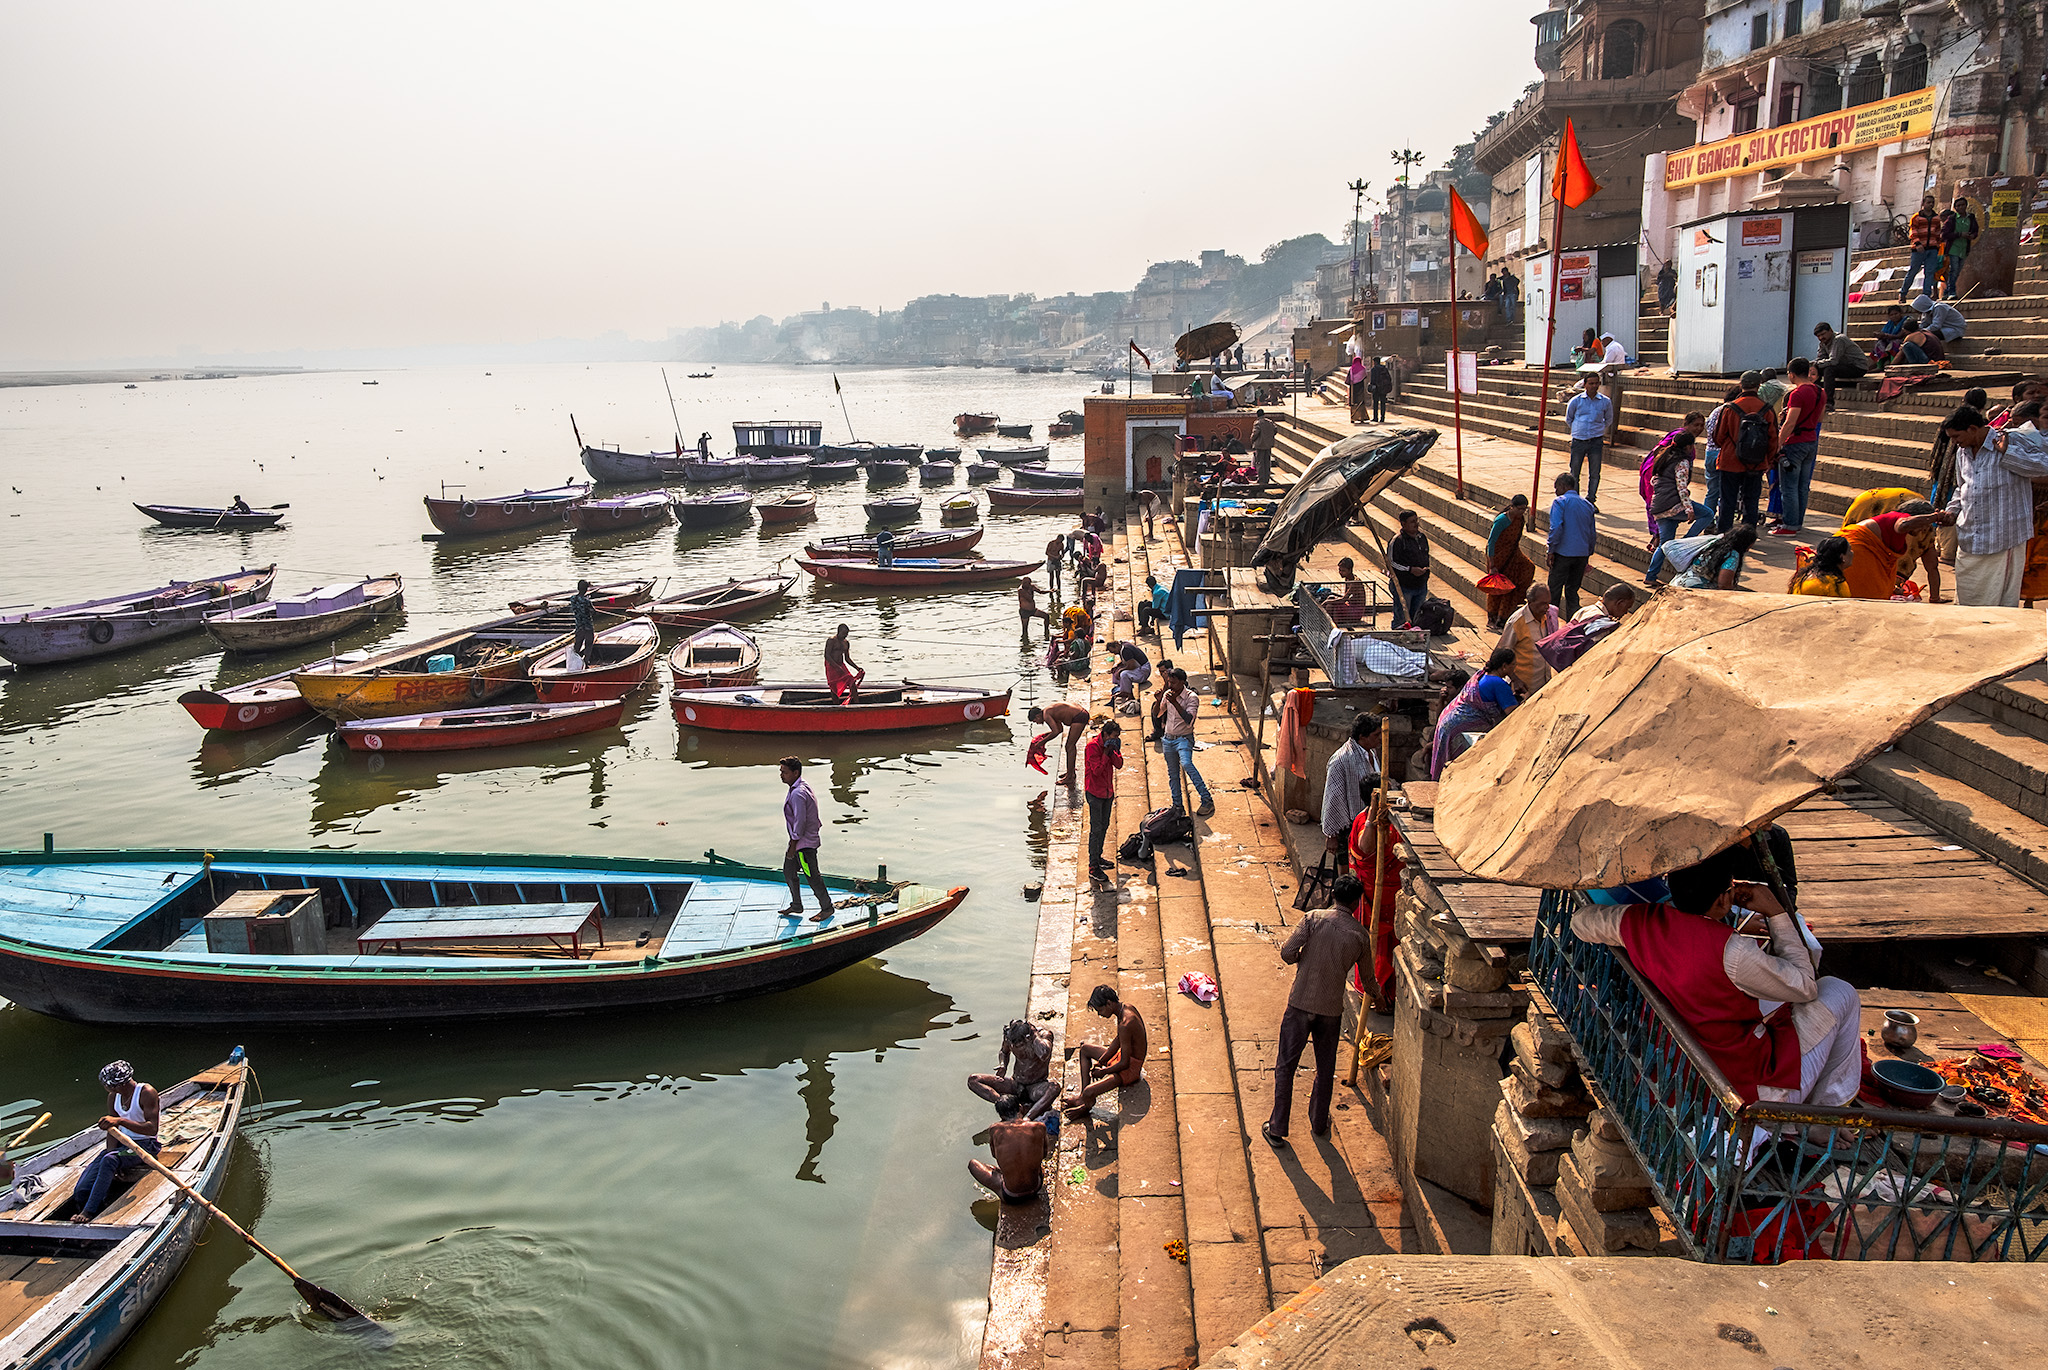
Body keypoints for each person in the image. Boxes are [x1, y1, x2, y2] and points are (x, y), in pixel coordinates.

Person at [1573, 855, 1863, 1110]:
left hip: (1683, 1070)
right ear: (1724, 899)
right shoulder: (1731, 951)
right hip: (1744, 1088)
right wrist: (1777, 913)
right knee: (1839, 991)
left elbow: (1581, 923)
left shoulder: (1639, 921)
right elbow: (1805, 985)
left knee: (1774, 997)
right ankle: (1825, 1113)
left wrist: (1636, 921)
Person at [1262, 872, 1370, 1147]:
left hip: (1300, 1002)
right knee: (1325, 1068)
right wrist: (1379, 999)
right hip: (1330, 1010)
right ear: (1357, 903)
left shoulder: (1312, 919)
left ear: (1333, 895)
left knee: (1286, 1065)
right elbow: (1368, 981)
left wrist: (1304, 960)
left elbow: (1287, 953)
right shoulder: (1360, 935)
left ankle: (1277, 1128)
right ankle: (1319, 1122)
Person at [1947, 404, 2048, 607]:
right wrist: (1952, 510)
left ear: (1973, 429)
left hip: (2003, 537)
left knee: (1997, 605)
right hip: (1970, 536)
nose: (1955, 443)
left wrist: (2007, 452)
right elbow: (1963, 487)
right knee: (1967, 599)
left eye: (1957, 437)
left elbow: (2043, 466)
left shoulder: (2013, 439)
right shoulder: (1962, 452)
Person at [73, 1061, 160, 1221]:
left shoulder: (146, 1092)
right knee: (82, 1191)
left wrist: (120, 1121)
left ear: (115, 1085)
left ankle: (88, 1212)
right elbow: (112, 1131)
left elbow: (152, 1129)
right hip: (122, 1145)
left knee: (109, 1160)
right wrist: (114, 1154)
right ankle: (91, 1211)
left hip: (145, 1146)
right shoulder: (114, 1097)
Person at [1430, 646, 1520, 778]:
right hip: (1457, 729)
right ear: (1504, 666)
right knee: (1455, 769)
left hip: (1448, 721)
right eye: (1513, 665)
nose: (1514, 669)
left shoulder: (1481, 674)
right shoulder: (1498, 684)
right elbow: (1513, 713)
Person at [1062, 984, 1147, 1117]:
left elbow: (1124, 1063)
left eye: (1100, 1010)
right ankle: (1083, 1097)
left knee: (1090, 1091)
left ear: (1108, 1004)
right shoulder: (1126, 1008)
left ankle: (1086, 1102)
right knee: (1084, 1050)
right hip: (1122, 1057)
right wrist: (1101, 1061)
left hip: (1130, 1069)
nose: (1099, 1014)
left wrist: (1103, 1071)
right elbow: (1118, 1041)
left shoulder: (1126, 1023)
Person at [1838, 500, 1950, 601]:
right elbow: (1903, 525)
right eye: (1922, 525)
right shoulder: (1901, 518)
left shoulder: (1910, 530)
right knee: (1867, 593)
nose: (1923, 530)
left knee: (1880, 590)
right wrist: (1935, 517)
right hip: (1856, 548)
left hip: (1858, 548)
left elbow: (1932, 566)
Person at [1710, 370, 1777, 531]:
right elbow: (1773, 439)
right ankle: (1747, 536)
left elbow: (1718, 437)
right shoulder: (1766, 409)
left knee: (1727, 501)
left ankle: (1724, 535)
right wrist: (1769, 460)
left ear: (1741, 385)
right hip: (1756, 463)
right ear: (1758, 386)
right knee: (1751, 501)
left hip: (1730, 461)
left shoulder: (1729, 408)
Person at [778, 757, 838, 921]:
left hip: (803, 845)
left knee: (812, 876)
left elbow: (800, 821)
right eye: (781, 771)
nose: (781, 775)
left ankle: (827, 908)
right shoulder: (798, 786)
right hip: (798, 841)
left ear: (795, 773)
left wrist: (793, 844)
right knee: (788, 871)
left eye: (785, 772)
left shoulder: (798, 793)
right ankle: (796, 904)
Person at [1771, 357, 1825, 536]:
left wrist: (1778, 443)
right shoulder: (1820, 392)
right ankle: (1798, 522)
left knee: (1789, 487)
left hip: (1795, 443)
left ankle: (1790, 524)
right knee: (1802, 486)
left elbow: (1790, 423)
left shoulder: (1797, 394)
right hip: (1811, 440)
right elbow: (1820, 418)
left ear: (1792, 374)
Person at [969, 1094, 1050, 1204]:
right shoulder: (1039, 1126)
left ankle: (1008, 1183)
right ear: (1020, 1108)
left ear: (1001, 1115)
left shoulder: (994, 1129)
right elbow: (1044, 1154)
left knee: (973, 1164)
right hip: (1037, 1187)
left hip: (1011, 1195)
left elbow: (994, 1155)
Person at [969, 1019, 1057, 1120]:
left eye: (1019, 1045)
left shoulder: (1043, 1035)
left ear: (1028, 1038)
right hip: (1016, 1084)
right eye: (1013, 1045)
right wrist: (1003, 1065)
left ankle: (1027, 1118)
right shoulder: (1010, 1036)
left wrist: (1034, 1034)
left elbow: (1044, 1054)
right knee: (974, 1080)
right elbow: (1004, 1051)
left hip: (1035, 1087)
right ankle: (1008, 1105)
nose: (1015, 1047)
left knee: (1054, 1088)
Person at [1320, 713, 1381, 856]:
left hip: (1372, 820)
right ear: (1362, 737)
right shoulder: (1341, 760)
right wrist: (1332, 835)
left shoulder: (1372, 752)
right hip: (1350, 826)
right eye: (1376, 735)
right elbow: (1333, 798)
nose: (1380, 739)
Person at [1159, 666, 1214, 818]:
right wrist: (1159, 700)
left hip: (1184, 738)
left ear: (1182, 682)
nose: (1171, 686)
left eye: (1174, 683)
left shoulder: (1192, 698)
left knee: (1187, 764)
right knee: (1173, 774)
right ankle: (1177, 805)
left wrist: (1175, 702)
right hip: (1168, 738)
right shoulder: (1168, 694)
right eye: (1169, 682)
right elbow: (1159, 714)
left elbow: (1189, 720)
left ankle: (1206, 799)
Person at [1644, 432, 1697, 586]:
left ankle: (1651, 576)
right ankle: (1686, 542)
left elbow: (1654, 480)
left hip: (1659, 506)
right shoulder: (1682, 462)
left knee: (1664, 544)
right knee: (1707, 514)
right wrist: (1689, 509)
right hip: (1672, 505)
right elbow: (1682, 488)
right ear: (1689, 447)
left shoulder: (1663, 456)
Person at [1545, 472, 1596, 618]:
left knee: (1554, 591)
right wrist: (1588, 553)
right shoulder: (1587, 505)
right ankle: (1572, 626)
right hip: (1581, 554)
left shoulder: (1560, 502)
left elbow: (1556, 528)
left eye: (1556, 487)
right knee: (1572, 592)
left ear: (1563, 486)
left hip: (1563, 553)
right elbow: (1592, 533)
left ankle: (1550, 625)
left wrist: (1551, 550)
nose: (1555, 491)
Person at [1495, 582, 1557, 698]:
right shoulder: (1517, 622)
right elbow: (1500, 655)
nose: (1546, 607)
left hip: (1544, 682)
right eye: (1542, 604)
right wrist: (1515, 679)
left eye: (1548, 603)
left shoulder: (1549, 617)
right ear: (1530, 602)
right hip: (1524, 688)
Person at [1483, 494, 1534, 631]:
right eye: (1519, 509)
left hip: (1513, 555)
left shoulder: (1520, 519)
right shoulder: (1502, 520)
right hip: (1498, 558)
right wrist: (1492, 564)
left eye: (1524, 509)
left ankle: (1505, 617)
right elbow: (1491, 542)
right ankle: (1494, 619)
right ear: (1512, 507)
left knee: (1528, 569)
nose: (1522, 512)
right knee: (1499, 589)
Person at [1083, 719, 1124, 886]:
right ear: (1105, 734)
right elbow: (1097, 771)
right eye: (1113, 736)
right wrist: (1105, 754)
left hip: (1107, 792)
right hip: (1095, 792)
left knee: (1105, 825)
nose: (1114, 739)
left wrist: (1113, 751)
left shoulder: (1111, 746)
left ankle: (1098, 856)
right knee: (1096, 829)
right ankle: (1093, 866)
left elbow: (1119, 765)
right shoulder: (1092, 747)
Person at [1564, 374, 1611, 508]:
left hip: (1596, 440)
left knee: (1595, 472)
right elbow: (1569, 418)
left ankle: (1591, 500)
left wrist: (1598, 430)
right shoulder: (1576, 401)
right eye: (1591, 383)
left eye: (1596, 383)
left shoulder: (1605, 401)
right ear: (1585, 385)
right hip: (1579, 440)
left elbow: (1609, 419)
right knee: (1575, 472)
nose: (1594, 386)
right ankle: (1576, 500)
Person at [1672, 524, 1757, 591]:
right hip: (1695, 592)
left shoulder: (1712, 544)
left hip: (1677, 584)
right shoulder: (1732, 555)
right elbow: (1724, 585)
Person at [1027, 700, 1090, 785]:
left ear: (1037, 716)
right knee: (1070, 746)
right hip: (1080, 713)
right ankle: (1071, 772)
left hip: (1079, 716)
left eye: (1035, 721)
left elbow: (1055, 731)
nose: (1037, 723)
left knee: (1069, 746)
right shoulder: (1049, 711)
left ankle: (1069, 777)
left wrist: (1042, 742)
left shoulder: (1046, 715)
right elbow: (1060, 729)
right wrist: (1043, 737)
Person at [1386, 508, 1431, 627]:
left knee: (1416, 618)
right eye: (1412, 521)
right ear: (1403, 524)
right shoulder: (1397, 541)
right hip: (1403, 587)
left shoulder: (1422, 538)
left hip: (1420, 585)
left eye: (1416, 521)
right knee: (1401, 619)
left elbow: (1426, 556)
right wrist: (1410, 569)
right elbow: (1391, 563)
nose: (1416, 524)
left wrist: (1424, 571)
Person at [1900, 193, 1944, 302]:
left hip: (1932, 249)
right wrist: (1917, 244)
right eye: (1928, 202)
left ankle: (1926, 295)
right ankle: (1903, 293)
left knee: (1929, 273)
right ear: (1923, 203)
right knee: (1913, 271)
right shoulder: (1916, 217)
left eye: (1932, 203)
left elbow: (1938, 232)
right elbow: (1913, 232)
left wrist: (1937, 245)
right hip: (1918, 249)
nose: (1930, 205)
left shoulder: (1936, 218)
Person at [1810, 323, 1869, 404]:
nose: (1821, 337)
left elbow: (1833, 361)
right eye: (1819, 336)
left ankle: (1828, 403)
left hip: (1857, 367)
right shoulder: (1823, 343)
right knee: (1815, 370)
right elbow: (1820, 358)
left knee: (1829, 370)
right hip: (1842, 366)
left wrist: (1816, 364)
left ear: (1830, 331)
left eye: (1823, 334)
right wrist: (1813, 366)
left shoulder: (1839, 339)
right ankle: (1814, 398)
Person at [1939, 195, 1980, 300]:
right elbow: (1944, 234)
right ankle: (1952, 292)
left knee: (1957, 271)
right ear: (1955, 208)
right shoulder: (1951, 220)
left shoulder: (1970, 218)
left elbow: (1975, 230)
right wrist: (1959, 234)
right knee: (1954, 270)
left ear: (1966, 206)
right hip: (1953, 248)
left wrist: (1972, 235)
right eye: (1958, 206)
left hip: (1964, 248)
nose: (1960, 208)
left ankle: (1947, 292)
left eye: (1962, 205)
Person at [1788, 535, 1854, 596]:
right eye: (1849, 550)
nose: (1852, 552)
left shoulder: (1804, 575)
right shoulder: (1835, 584)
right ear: (1842, 558)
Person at [824, 624, 862, 706]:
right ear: (839, 632)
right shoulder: (831, 640)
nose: (845, 635)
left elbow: (847, 658)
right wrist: (836, 667)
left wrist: (857, 668)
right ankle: (836, 706)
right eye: (844, 633)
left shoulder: (846, 643)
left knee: (852, 682)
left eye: (847, 634)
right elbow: (827, 655)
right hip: (831, 665)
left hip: (841, 664)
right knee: (834, 687)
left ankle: (857, 704)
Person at [567, 578, 598, 660]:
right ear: (586, 589)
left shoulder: (572, 599)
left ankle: (574, 661)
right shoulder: (586, 601)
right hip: (587, 626)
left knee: (577, 645)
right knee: (588, 644)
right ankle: (586, 661)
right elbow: (593, 612)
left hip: (579, 626)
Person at [1251, 409, 1277, 485]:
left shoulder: (1258, 423)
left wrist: (1252, 440)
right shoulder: (1269, 422)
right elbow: (1275, 430)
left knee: (1260, 463)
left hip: (1260, 445)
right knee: (1267, 462)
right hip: (1268, 445)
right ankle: (1266, 479)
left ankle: (1261, 479)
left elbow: (1255, 434)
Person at [1367, 356, 1392, 423]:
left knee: (1375, 403)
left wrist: (1371, 386)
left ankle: (1375, 417)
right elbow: (1389, 378)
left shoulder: (1374, 369)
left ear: (1374, 362)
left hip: (1376, 389)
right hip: (1383, 388)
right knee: (1383, 403)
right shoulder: (1384, 368)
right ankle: (1382, 418)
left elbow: (1373, 380)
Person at [1346, 351, 1366, 424]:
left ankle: (1353, 418)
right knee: (1360, 402)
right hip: (1360, 388)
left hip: (1353, 388)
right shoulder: (1363, 369)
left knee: (1353, 402)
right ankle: (1361, 418)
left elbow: (1348, 379)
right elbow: (1365, 376)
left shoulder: (1351, 369)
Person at [1043, 534, 1065, 599]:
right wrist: (1054, 556)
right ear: (1057, 538)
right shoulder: (1051, 543)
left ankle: (1059, 589)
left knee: (1058, 576)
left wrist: (1061, 556)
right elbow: (1046, 552)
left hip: (1057, 561)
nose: (1060, 542)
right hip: (1051, 560)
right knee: (1051, 576)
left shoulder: (1061, 544)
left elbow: (1062, 552)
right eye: (1060, 540)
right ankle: (1051, 589)